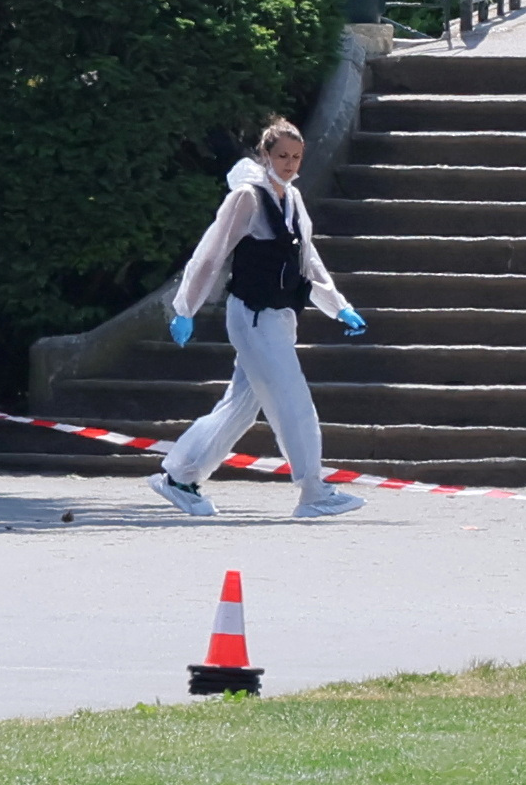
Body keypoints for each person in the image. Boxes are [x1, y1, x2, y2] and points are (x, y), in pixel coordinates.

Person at [149, 117, 369, 520]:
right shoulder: (246, 198)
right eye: (282, 155)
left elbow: (308, 260)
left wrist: (337, 304)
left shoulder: (293, 200)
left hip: (279, 316)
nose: (289, 164)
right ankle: (312, 491)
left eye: (297, 157)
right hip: (252, 316)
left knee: (240, 406)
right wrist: (185, 309)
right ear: (265, 154)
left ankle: (179, 476)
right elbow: (210, 255)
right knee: (293, 399)